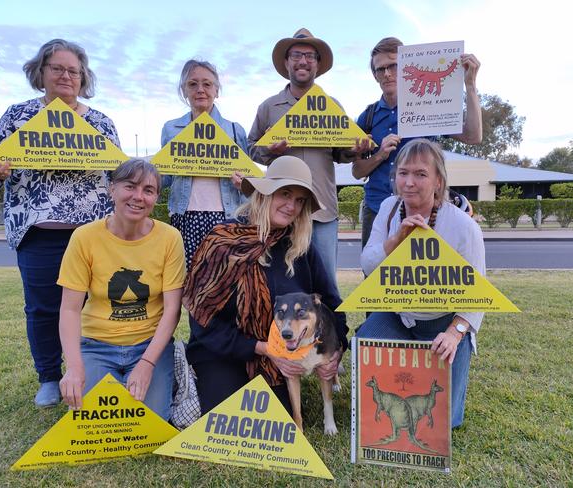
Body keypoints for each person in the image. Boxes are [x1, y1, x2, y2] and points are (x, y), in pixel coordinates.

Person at [0, 39, 120, 407]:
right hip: (38, 232)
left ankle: (92, 372)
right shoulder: (17, 116)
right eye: (57, 68)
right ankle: (49, 378)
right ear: (41, 74)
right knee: (42, 307)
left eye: (73, 70)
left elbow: (119, 179)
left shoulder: (100, 122)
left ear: (83, 78)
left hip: (93, 234)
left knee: (96, 305)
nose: (66, 76)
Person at [183, 155, 348, 414]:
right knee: (229, 418)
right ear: (264, 193)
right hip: (222, 351)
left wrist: (335, 349)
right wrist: (265, 349)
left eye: (300, 200)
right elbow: (203, 323)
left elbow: (331, 303)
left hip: (280, 355)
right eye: (284, 194)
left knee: (271, 418)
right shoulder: (222, 241)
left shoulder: (301, 247)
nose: (291, 206)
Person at [356, 139, 485, 428]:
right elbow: (367, 264)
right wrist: (395, 242)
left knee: (442, 422)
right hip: (398, 317)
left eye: (421, 174)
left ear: (439, 181)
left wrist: (454, 334)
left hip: (443, 323)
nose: (409, 182)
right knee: (365, 346)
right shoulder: (390, 208)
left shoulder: (464, 227)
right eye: (403, 173)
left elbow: (477, 295)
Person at [58, 159, 185, 420]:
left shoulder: (170, 238)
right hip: (97, 345)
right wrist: (74, 366)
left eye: (148, 190)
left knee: (148, 422)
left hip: (149, 346)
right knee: (95, 420)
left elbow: (173, 309)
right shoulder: (84, 238)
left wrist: (148, 364)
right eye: (130, 186)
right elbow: (70, 309)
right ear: (111, 189)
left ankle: (161, 374)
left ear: (156, 197)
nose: (138, 197)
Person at [248, 28, 368, 284]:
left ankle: (329, 325)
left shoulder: (332, 106)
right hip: (279, 210)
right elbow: (250, 148)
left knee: (324, 280)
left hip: (322, 209)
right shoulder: (268, 107)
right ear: (286, 62)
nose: (303, 61)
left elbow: (341, 153)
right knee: (278, 278)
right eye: (296, 55)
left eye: (310, 56)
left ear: (318, 64)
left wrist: (354, 150)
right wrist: (270, 151)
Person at [353, 37, 482, 248]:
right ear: (374, 75)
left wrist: (470, 85)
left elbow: (472, 136)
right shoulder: (368, 117)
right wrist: (380, 155)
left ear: (405, 67)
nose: (386, 74)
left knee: (424, 274)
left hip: (422, 209)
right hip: (377, 209)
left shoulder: (427, 107)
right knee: (375, 274)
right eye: (380, 69)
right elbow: (357, 172)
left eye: (393, 66)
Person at [161, 59, 248, 268]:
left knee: (226, 284)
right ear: (184, 90)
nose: (200, 90)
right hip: (185, 217)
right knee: (189, 284)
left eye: (207, 84)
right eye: (193, 84)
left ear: (217, 90)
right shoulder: (171, 129)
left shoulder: (236, 131)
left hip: (227, 217)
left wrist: (244, 184)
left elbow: (248, 185)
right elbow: (164, 177)